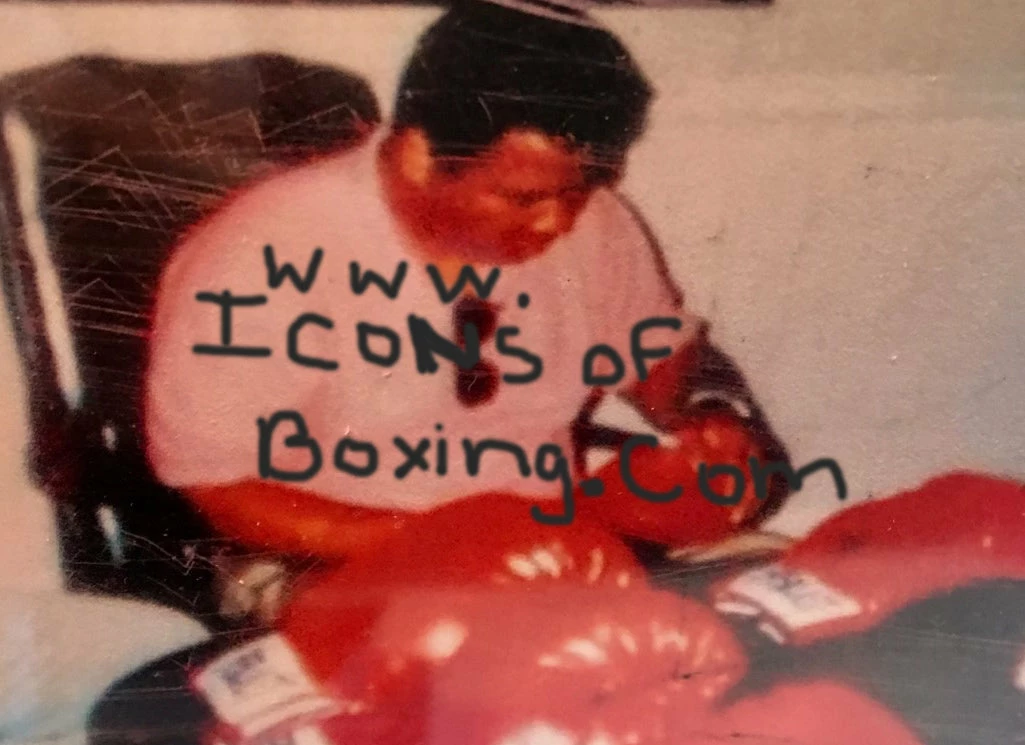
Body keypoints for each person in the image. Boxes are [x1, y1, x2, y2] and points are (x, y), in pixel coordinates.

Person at [144, 0, 791, 569]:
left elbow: (657, 355)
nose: (559, 222)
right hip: (336, 560)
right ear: (419, 155)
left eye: (579, 190)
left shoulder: (594, 221)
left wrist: (709, 417)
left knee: (778, 593)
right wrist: (459, 543)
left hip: (555, 543)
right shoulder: (259, 255)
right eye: (523, 198)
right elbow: (220, 486)